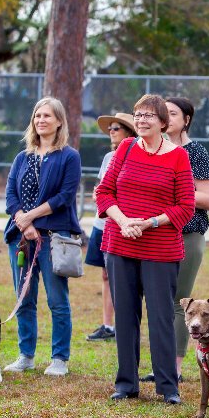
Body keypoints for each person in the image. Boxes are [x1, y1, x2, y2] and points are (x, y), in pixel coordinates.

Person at [96, 94, 195, 404]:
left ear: (163, 122)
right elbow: (104, 192)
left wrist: (149, 222)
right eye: (137, 115)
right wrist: (124, 221)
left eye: (148, 115)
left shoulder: (178, 156)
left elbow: (186, 207)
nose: (140, 120)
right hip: (119, 243)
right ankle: (126, 384)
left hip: (160, 249)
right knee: (125, 315)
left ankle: (168, 387)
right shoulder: (124, 149)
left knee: (161, 316)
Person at [3, 97, 82, 377]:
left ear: (59, 121)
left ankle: (59, 358)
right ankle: (26, 355)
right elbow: (10, 195)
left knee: (57, 301)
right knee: (24, 298)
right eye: (37, 115)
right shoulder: (22, 157)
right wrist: (24, 224)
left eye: (47, 115)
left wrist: (31, 216)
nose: (41, 120)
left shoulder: (69, 157)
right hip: (22, 238)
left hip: (53, 239)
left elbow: (64, 197)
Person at [140, 97, 209, 384]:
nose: (167, 117)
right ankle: (158, 365)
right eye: (163, 113)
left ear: (186, 120)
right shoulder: (151, 151)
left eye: (173, 113)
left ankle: (174, 368)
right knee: (156, 302)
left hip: (187, 235)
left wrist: (174, 194)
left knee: (177, 302)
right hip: (155, 235)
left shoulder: (195, 152)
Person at [85, 112, 136, 341]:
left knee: (123, 277)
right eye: (110, 128)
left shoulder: (136, 156)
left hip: (122, 224)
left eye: (116, 128)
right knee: (105, 275)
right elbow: (101, 186)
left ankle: (126, 325)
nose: (111, 132)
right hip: (101, 223)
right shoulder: (108, 157)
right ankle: (108, 326)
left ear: (129, 133)